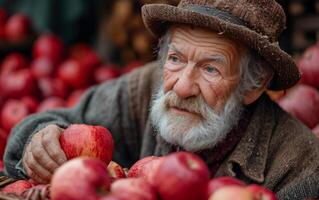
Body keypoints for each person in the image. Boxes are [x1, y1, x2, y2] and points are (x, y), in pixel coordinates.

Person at [4, 0, 319, 199]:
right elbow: (50, 123)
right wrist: (39, 139)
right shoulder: (145, 87)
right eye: (175, 59)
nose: (181, 87)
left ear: (255, 85)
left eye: (211, 69)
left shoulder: (298, 165)